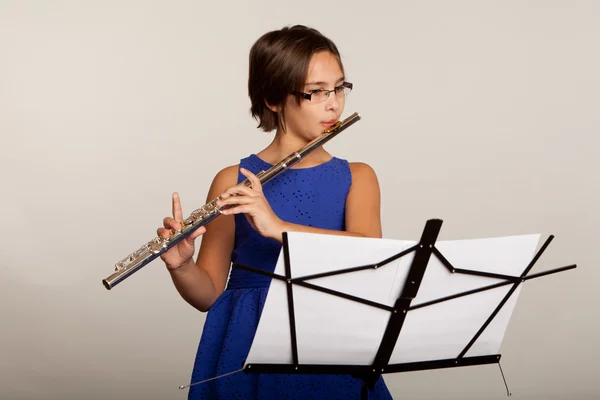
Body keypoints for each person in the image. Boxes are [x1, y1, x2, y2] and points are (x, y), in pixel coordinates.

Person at [157, 25, 392, 399]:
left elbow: (369, 257)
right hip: (244, 343)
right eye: (316, 92)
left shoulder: (358, 177)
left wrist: (279, 228)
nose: (333, 104)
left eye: (339, 88)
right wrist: (181, 266)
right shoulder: (232, 180)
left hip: (328, 340)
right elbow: (209, 295)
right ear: (272, 99)